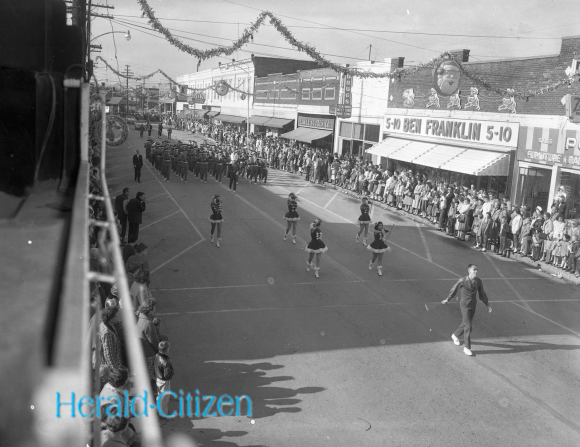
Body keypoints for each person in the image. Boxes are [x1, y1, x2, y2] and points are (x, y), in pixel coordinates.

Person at [441, 264, 492, 356]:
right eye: (474, 270)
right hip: (464, 305)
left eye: (477, 270)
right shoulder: (463, 281)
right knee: (468, 326)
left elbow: (482, 294)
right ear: (469, 271)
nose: (476, 272)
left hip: (473, 305)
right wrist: (448, 299)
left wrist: (487, 304)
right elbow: (454, 290)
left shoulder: (478, 281)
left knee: (466, 323)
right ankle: (467, 348)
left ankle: (455, 335)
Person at [136, 298, 160, 391]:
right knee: (149, 378)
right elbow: (154, 341)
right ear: (150, 309)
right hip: (148, 354)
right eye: (154, 308)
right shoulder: (148, 323)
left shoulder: (140, 318)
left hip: (141, 353)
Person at [154, 341, 175, 420]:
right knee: (165, 398)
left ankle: (158, 410)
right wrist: (172, 372)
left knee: (159, 396)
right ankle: (163, 414)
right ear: (166, 350)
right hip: (164, 381)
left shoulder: (157, 356)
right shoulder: (165, 362)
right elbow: (167, 375)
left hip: (158, 378)